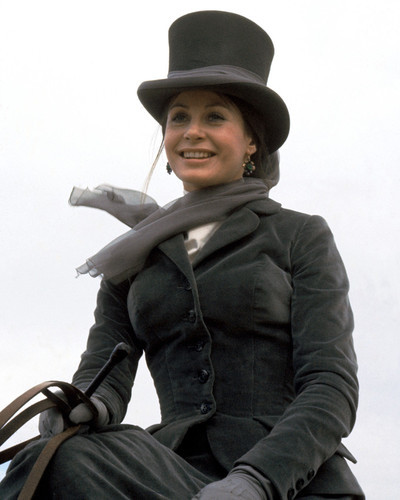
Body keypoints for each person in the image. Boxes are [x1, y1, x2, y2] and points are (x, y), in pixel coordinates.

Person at [0, 10, 364, 500]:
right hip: (171, 469)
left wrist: (257, 480)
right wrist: (84, 405)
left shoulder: (300, 235)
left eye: (214, 116)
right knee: (51, 459)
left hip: (291, 482)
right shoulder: (134, 253)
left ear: (251, 141)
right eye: (179, 118)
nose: (192, 132)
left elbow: (331, 385)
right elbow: (106, 368)